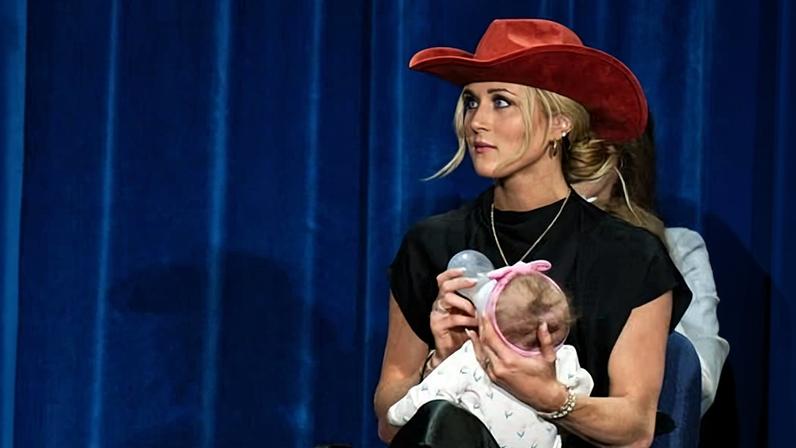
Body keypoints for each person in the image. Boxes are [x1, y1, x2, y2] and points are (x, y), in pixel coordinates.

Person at [373, 18, 691, 447]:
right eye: (471, 101)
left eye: (501, 102)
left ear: (560, 122)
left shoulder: (631, 256)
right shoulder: (430, 245)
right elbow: (388, 422)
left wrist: (548, 397)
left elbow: (635, 429)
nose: (477, 122)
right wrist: (438, 363)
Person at [569, 120, 730, 415]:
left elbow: (698, 383)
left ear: (619, 157)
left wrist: (640, 264)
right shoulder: (497, 238)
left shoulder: (678, 248)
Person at [387, 260, 593, 448]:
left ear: (488, 323)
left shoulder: (471, 358)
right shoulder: (565, 358)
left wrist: (396, 413)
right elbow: (582, 392)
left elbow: (423, 400)